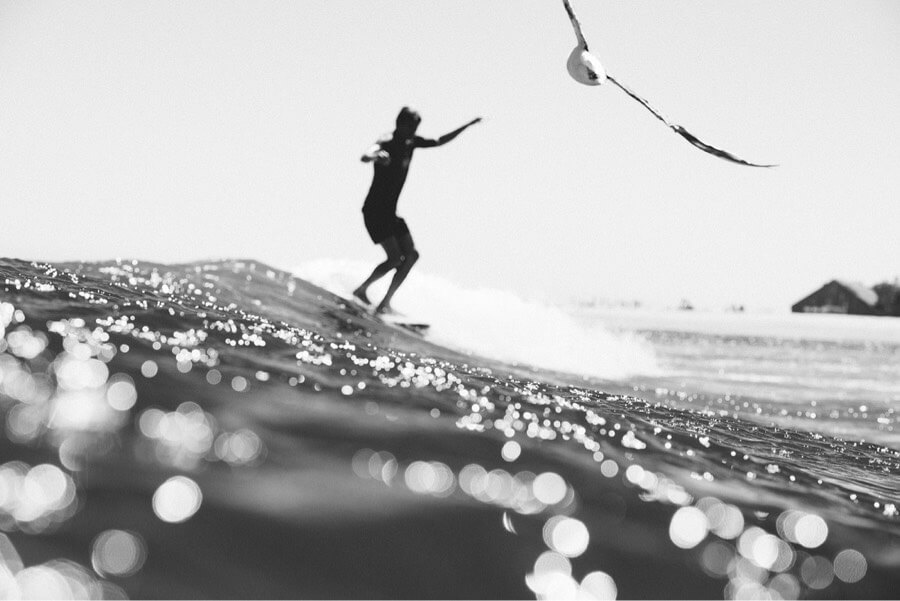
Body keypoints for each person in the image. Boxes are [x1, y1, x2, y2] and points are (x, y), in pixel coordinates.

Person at [353, 107, 481, 314]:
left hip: (390, 214)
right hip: (375, 211)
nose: (414, 130)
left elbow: (439, 141)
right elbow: (365, 155)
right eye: (411, 126)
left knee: (411, 256)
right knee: (395, 258)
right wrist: (377, 155)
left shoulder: (411, 143)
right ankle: (361, 290)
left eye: (416, 127)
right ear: (400, 124)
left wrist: (467, 126)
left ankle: (384, 303)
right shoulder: (387, 141)